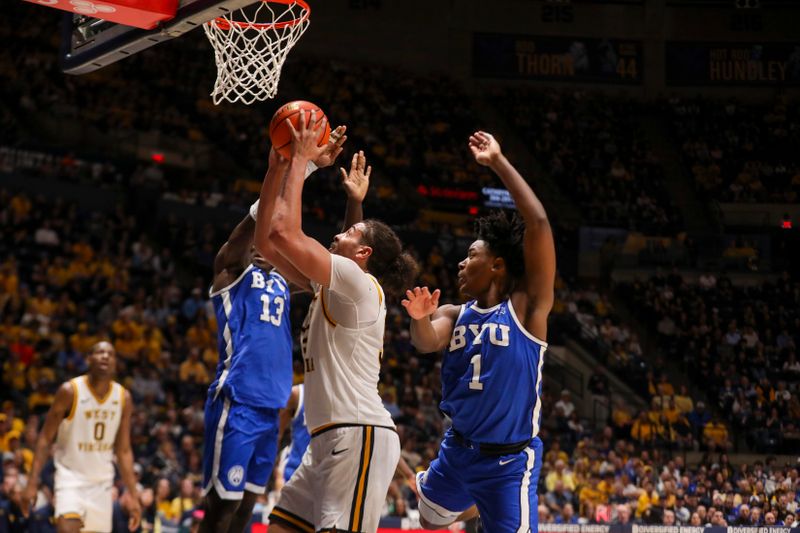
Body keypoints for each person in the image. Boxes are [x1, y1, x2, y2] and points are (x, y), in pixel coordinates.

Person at [259, 111, 418, 532]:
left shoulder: (355, 282)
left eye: (350, 233)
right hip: (327, 439)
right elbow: (264, 241)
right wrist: (277, 167)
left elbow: (283, 234)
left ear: (363, 254)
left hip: (358, 434)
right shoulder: (336, 287)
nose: (338, 233)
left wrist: (302, 161)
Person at [402, 131, 556, 531]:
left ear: (498, 265)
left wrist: (498, 162)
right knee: (430, 519)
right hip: (457, 452)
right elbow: (424, 342)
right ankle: (472, 506)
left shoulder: (527, 309)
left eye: (471, 255)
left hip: (507, 461)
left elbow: (538, 223)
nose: (460, 263)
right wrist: (420, 317)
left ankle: (482, 506)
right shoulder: (455, 313)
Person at [199, 131, 346, 533]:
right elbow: (249, 232)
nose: (266, 245)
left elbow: (337, 272)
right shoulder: (230, 273)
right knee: (220, 508)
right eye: (259, 241)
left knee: (246, 508)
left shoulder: (283, 281)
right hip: (238, 400)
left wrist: (321, 174)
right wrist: (296, 166)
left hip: (271, 406)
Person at [21, 341, 141, 533]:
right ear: (88, 359)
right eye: (99, 352)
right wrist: (32, 483)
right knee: (68, 527)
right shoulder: (69, 391)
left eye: (110, 354)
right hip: (70, 478)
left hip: (102, 484)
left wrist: (134, 496)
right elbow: (45, 438)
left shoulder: (123, 397)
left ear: (115, 363)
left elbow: (124, 450)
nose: (105, 356)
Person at [274, 384, 311, 491]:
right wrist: (278, 475)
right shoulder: (297, 393)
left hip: (326, 478)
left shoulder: (346, 397)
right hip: (293, 473)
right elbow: (277, 436)